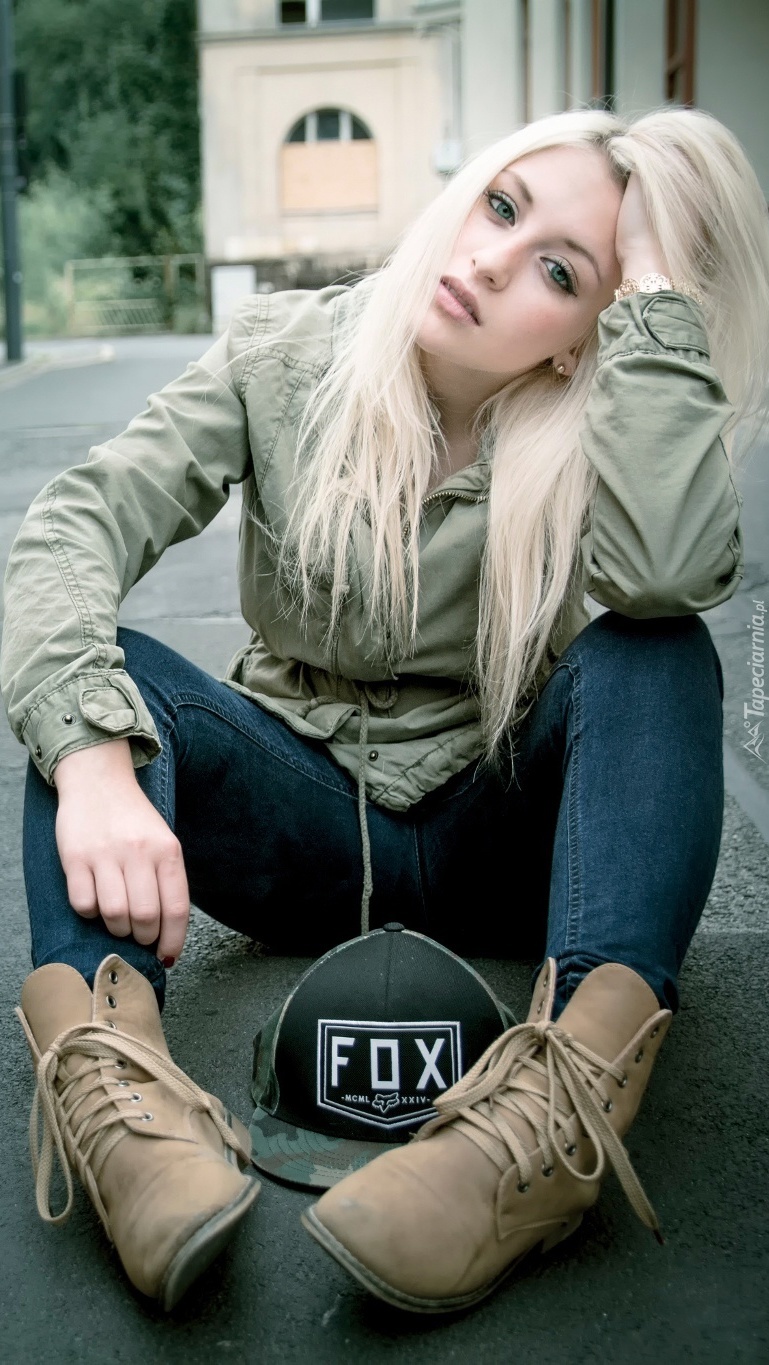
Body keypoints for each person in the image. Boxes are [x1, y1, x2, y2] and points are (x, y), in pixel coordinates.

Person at [3, 105, 768, 1314]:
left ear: (587, 331)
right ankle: (123, 1113)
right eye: (501, 207)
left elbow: (668, 573)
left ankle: (553, 1117)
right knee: (102, 686)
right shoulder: (284, 353)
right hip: (293, 832)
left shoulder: (611, 417)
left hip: (504, 837)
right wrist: (95, 760)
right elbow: (74, 527)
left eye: (561, 274)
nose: (490, 262)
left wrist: (655, 302)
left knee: (653, 644)